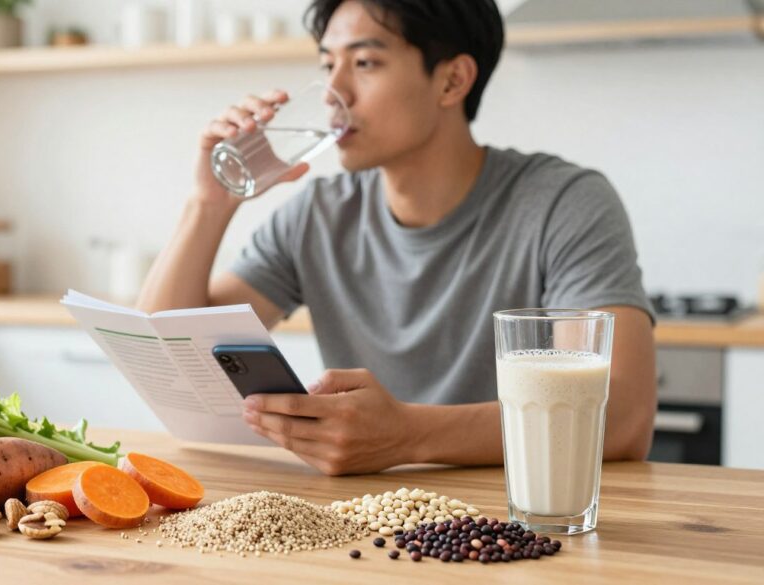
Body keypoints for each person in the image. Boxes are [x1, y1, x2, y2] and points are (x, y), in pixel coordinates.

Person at [136, 0, 656, 475]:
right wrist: (209, 203)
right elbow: (169, 353)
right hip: (364, 521)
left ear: (452, 81)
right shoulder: (319, 214)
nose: (335, 94)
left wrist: (405, 436)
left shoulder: (563, 202)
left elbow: (623, 415)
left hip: (520, 513)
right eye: (326, 65)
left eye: (364, 63)